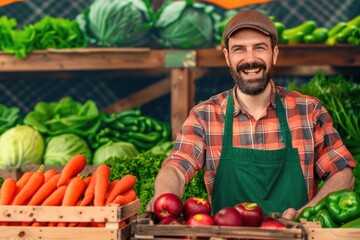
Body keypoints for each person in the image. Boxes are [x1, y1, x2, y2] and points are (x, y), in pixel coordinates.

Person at [146, 9, 356, 220]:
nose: (250, 59)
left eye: (259, 48)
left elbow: (342, 173)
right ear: (227, 57)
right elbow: (176, 168)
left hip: (295, 234)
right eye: (239, 49)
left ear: (274, 54)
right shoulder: (205, 116)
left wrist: (308, 212)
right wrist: (166, 196)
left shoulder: (308, 111)